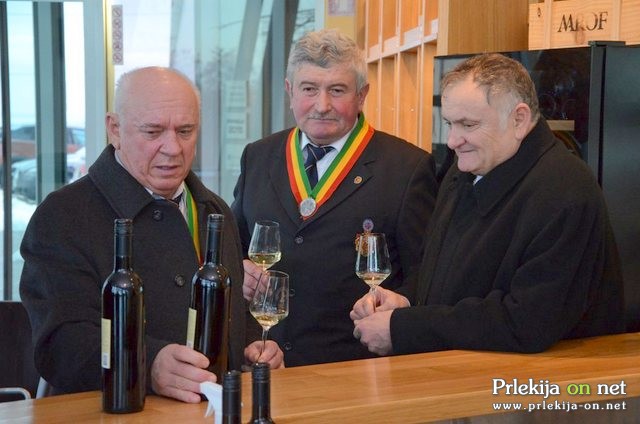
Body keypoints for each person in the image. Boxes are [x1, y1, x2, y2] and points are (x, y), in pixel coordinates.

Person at [19, 67, 282, 403]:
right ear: (115, 129)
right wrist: (148, 364)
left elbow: (233, 314)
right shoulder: (62, 216)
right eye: (153, 131)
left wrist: (253, 349)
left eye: (185, 131)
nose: (172, 148)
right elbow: (60, 345)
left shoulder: (214, 210)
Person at [351, 53, 625, 356]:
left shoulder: (565, 191)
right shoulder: (467, 166)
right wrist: (405, 301)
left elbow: (526, 322)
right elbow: (441, 272)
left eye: (468, 125)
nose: (453, 140)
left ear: (519, 119)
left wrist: (404, 328)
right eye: (449, 124)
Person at [232, 29, 438, 366]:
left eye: (337, 90)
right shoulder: (257, 156)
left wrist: (399, 305)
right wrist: (239, 269)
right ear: (290, 90)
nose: (322, 105)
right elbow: (235, 244)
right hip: (265, 360)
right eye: (309, 89)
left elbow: (426, 274)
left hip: (356, 365)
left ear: (362, 94)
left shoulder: (408, 168)